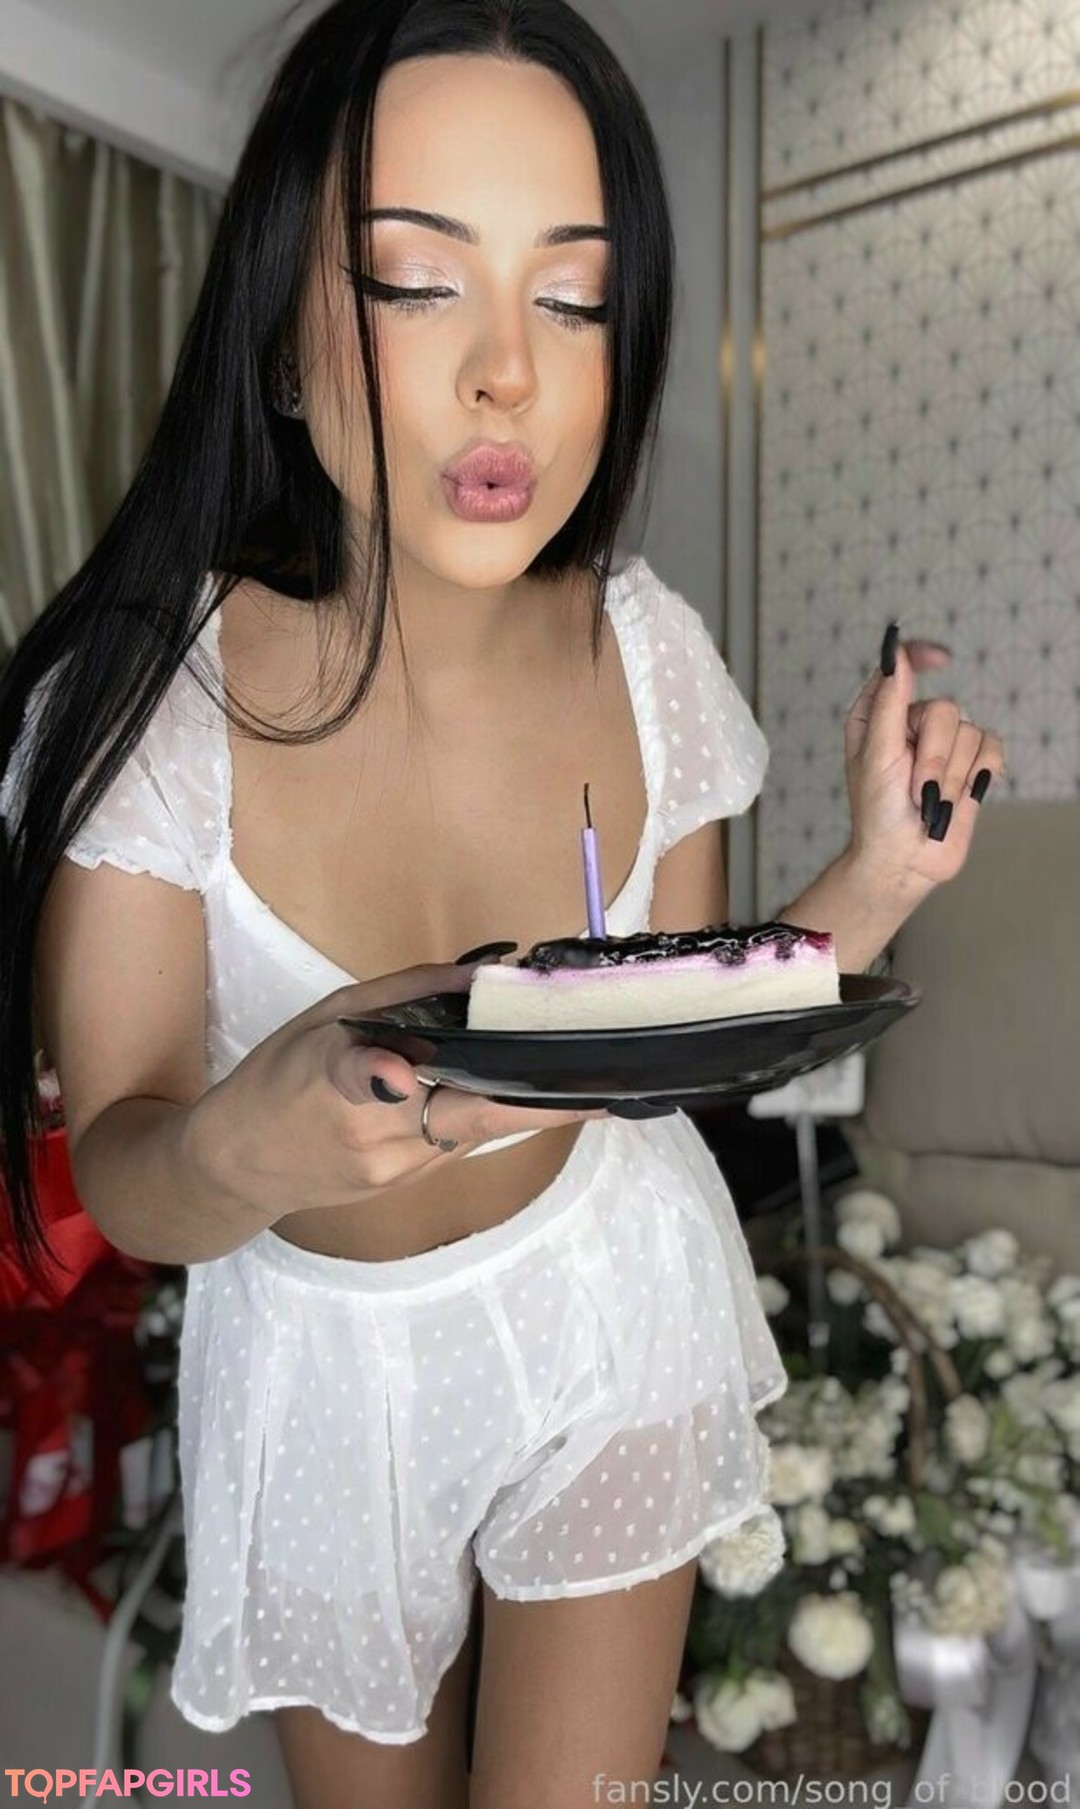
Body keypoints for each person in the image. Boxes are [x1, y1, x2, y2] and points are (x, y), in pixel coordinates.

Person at [0, 2, 1004, 1805]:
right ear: (283, 333)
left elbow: (678, 1030)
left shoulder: (648, 654)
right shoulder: (158, 699)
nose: (508, 378)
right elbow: (133, 1171)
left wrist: (881, 872)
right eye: (415, 282)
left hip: (608, 1295)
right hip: (324, 1375)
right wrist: (252, 1133)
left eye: (573, 298)